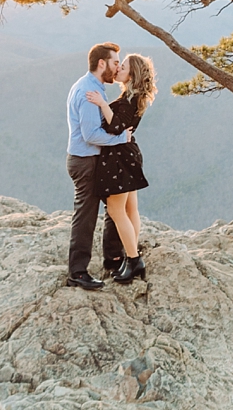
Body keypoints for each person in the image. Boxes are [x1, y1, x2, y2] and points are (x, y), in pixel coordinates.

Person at [64, 42, 132, 290]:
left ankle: (112, 259)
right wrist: (120, 138)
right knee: (86, 215)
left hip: (92, 159)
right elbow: (91, 134)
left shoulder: (94, 88)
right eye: (115, 63)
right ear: (101, 63)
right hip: (86, 161)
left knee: (114, 207)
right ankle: (78, 272)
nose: (117, 68)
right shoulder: (87, 91)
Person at [85, 53, 156, 284]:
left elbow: (116, 126)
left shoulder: (130, 100)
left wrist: (102, 103)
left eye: (122, 66)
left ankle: (134, 260)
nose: (118, 69)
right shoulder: (133, 97)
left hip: (119, 159)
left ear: (131, 73)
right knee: (130, 210)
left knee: (117, 211)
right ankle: (131, 256)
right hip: (127, 155)